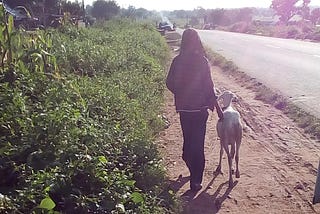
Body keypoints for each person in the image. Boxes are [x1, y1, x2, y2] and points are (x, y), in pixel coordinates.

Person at [166, 28, 224, 191]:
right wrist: (219, 110)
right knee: (195, 145)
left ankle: (194, 176)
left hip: (187, 110)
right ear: (196, 41)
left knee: (191, 144)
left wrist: (180, 93)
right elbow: (209, 87)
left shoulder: (178, 61)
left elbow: (169, 82)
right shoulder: (202, 61)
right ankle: (195, 178)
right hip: (199, 109)